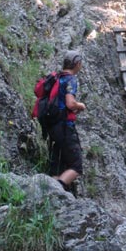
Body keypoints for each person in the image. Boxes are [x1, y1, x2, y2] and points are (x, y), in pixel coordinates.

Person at [46, 50, 86, 190]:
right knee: (76, 166)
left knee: (58, 165)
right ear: (77, 64)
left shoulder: (56, 77)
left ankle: (50, 190)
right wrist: (80, 105)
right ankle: (57, 191)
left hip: (52, 126)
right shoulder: (70, 79)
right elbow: (70, 103)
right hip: (65, 126)